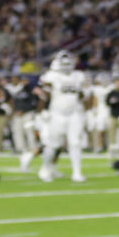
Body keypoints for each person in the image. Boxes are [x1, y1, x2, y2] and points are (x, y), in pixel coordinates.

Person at [35, 50, 89, 183]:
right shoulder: (51, 76)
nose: (66, 66)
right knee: (53, 144)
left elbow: (82, 96)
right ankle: (45, 168)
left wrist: (81, 92)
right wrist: (42, 111)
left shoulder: (78, 76)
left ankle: (77, 172)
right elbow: (44, 95)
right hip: (57, 113)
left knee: (75, 143)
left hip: (74, 113)